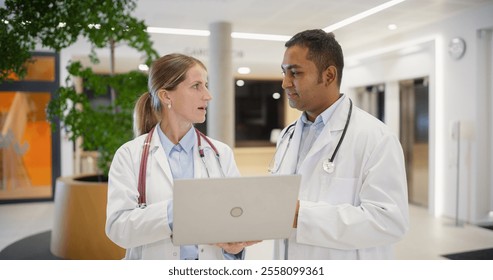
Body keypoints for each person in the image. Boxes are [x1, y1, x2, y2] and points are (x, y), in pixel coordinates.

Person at [270, 29, 409, 259]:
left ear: (329, 76)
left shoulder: (376, 138)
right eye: (284, 73)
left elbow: (390, 221)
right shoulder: (287, 136)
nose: (285, 83)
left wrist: (302, 215)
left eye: (295, 73)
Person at [106, 53, 258, 260]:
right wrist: (177, 210)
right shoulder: (130, 155)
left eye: (206, 85)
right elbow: (118, 228)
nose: (208, 95)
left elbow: (234, 220)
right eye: (196, 86)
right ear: (166, 96)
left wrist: (234, 247)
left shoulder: (221, 154)